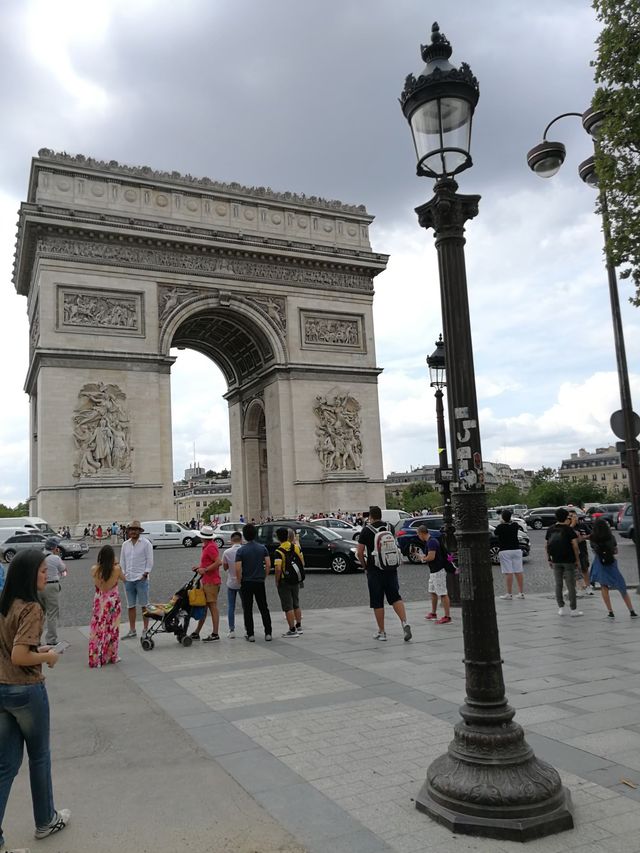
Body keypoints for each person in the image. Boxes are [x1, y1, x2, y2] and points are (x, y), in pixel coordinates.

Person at [0, 549, 71, 848]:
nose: (47, 574)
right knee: (39, 757)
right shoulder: (32, 607)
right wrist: (50, 656)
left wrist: (37, 650)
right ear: (30, 574)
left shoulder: (5, 605)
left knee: (5, 765)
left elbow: (11, 649)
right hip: (26, 690)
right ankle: (45, 820)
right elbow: (19, 655)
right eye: (43, 570)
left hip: (2, 689)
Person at [357, 505, 412, 642]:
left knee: (377, 601)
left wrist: (365, 566)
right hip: (390, 567)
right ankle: (404, 622)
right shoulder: (389, 527)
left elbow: (359, 552)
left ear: (370, 516)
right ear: (381, 515)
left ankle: (382, 632)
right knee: (395, 597)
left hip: (374, 569)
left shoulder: (366, 531)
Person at [589, 518, 637, 619]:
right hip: (611, 562)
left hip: (600, 562)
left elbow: (593, 549)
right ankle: (631, 610)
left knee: (604, 586)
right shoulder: (611, 536)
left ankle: (610, 612)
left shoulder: (593, 537)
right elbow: (615, 550)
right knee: (620, 585)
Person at [88, 545, 126, 668]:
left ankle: (96, 657)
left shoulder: (94, 569)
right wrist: (116, 562)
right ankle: (111, 655)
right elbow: (125, 579)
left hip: (100, 601)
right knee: (112, 628)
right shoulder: (117, 569)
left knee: (98, 628)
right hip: (113, 601)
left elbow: (100, 585)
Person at [234, 524, 272, 642]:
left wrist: (239, 580)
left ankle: (250, 634)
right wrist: (264, 576)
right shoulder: (262, 548)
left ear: (244, 536)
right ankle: (268, 633)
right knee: (263, 607)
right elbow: (268, 564)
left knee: (248, 608)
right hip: (259, 581)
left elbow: (238, 568)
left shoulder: (241, 550)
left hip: (246, 582)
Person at [545, 508, 583, 617]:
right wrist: (577, 559)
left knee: (558, 584)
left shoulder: (551, 529)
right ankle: (573, 609)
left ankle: (561, 608)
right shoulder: (568, 530)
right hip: (568, 560)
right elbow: (575, 545)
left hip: (555, 559)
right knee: (571, 585)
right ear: (566, 517)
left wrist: (549, 559)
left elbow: (546, 545)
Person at [120, 520, 153, 639]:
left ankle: (145, 629)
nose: (133, 532)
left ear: (139, 531)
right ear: (129, 531)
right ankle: (132, 630)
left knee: (144, 605)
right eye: (131, 529)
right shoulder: (125, 545)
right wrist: (123, 575)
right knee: (130, 606)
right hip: (128, 579)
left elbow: (150, 561)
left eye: (135, 529)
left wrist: (145, 573)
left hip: (141, 579)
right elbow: (122, 561)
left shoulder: (146, 543)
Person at [413, 526, 451, 624]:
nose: (418, 536)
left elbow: (431, 557)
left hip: (438, 570)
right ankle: (433, 613)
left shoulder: (431, 542)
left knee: (442, 593)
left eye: (418, 534)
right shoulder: (430, 541)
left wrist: (422, 558)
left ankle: (447, 616)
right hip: (434, 571)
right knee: (433, 592)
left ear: (422, 533)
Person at [189, 526, 222, 642]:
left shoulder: (211, 547)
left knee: (212, 607)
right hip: (207, 581)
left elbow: (219, 562)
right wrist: (200, 568)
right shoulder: (207, 546)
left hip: (212, 581)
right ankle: (197, 632)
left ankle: (215, 634)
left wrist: (205, 569)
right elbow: (209, 562)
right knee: (204, 607)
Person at [274, 528, 304, 637]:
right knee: (296, 603)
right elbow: (302, 562)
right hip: (295, 579)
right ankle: (299, 626)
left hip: (284, 580)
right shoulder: (295, 547)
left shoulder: (278, 551)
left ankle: (292, 630)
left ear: (278, 537)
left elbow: (277, 569)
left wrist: (277, 581)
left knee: (288, 606)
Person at [38, 538, 66, 646]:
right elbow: (63, 569)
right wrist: (58, 556)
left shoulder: (38, 556)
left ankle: (35, 638)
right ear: (54, 547)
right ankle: (51, 639)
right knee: (52, 614)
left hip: (39, 586)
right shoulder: (55, 558)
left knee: (39, 614)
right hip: (52, 585)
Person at [495, 510, 524, 600]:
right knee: (518, 571)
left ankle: (509, 593)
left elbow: (496, 533)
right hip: (516, 549)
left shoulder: (500, 527)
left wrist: (501, 521)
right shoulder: (515, 525)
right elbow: (513, 524)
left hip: (505, 550)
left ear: (502, 518)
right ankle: (521, 592)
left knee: (508, 572)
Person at [222, 531, 242, 638]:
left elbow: (225, 568)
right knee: (246, 606)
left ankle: (232, 629)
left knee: (231, 606)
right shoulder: (244, 550)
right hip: (243, 582)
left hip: (231, 582)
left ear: (231, 540)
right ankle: (248, 628)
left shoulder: (227, 552)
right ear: (241, 540)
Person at [568, 510, 594, 595]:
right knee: (572, 570)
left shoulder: (583, 525)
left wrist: (584, 537)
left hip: (582, 550)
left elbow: (592, 534)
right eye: (571, 516)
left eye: (574, 516)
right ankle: (575, 588)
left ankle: (588, 586)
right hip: (571, 551)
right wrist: (572, 526)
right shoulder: (567, 527)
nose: (573, 518)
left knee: (584, 568)